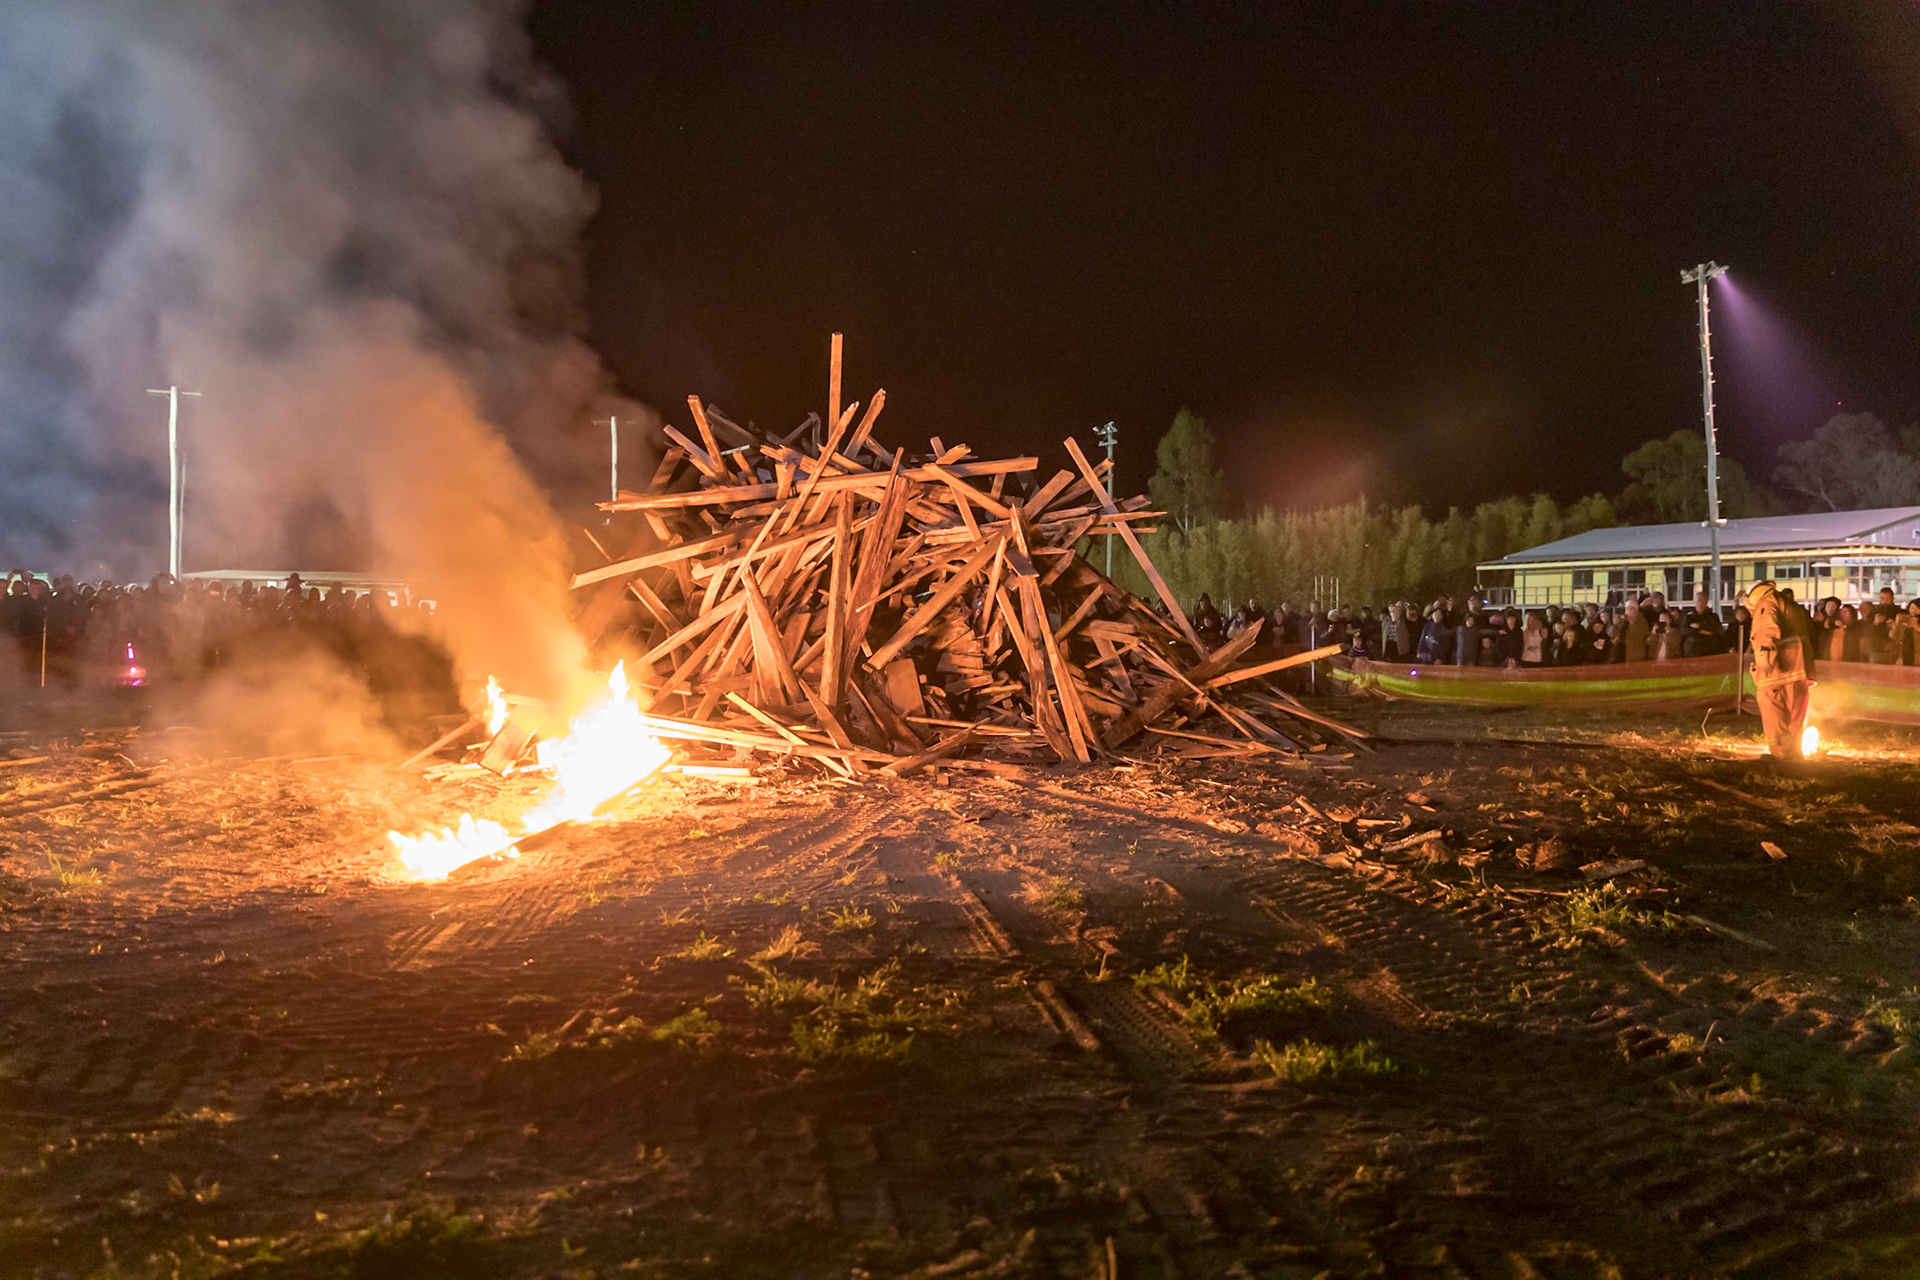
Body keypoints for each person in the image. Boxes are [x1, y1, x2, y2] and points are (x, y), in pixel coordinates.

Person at [1747, 580, 1812, 760]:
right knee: (1794, 715)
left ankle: (1780, 754)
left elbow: (1768, 627)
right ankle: (1794, 755)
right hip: (1800, 668)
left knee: (1772, 708)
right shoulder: (1789, 605)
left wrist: (1764, 653)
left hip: (1779, 669)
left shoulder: (1766, 602)